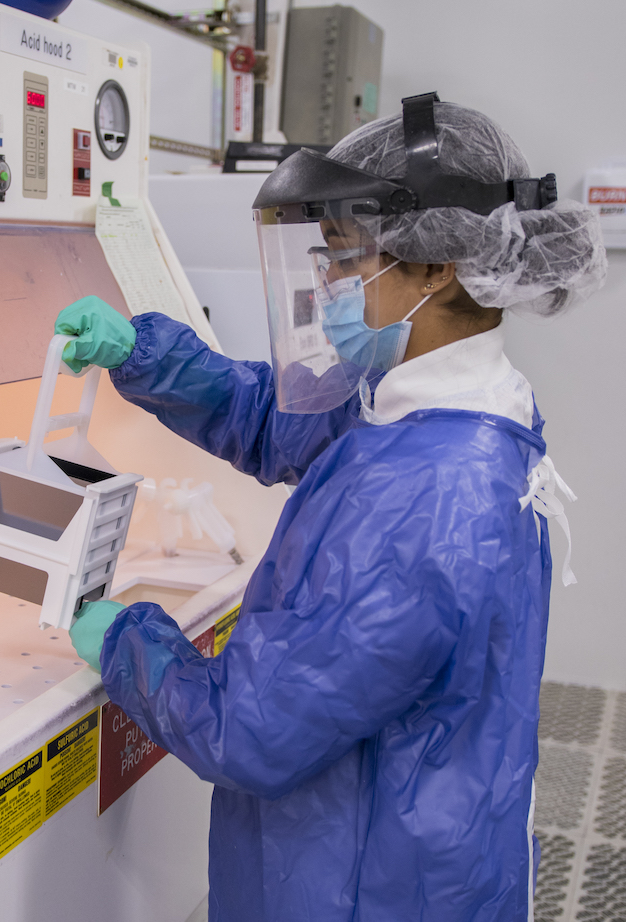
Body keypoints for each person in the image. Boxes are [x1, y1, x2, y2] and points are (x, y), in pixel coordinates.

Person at [56, 93, 606, 921]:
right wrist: (144, 353)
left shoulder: (427, 498)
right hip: (425, 847)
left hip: (367, 886)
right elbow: (281, 420)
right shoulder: (447, 407)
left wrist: (129, 638)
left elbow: (251, 727)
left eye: (348, 258)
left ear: (435, 266)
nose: (330, 284)